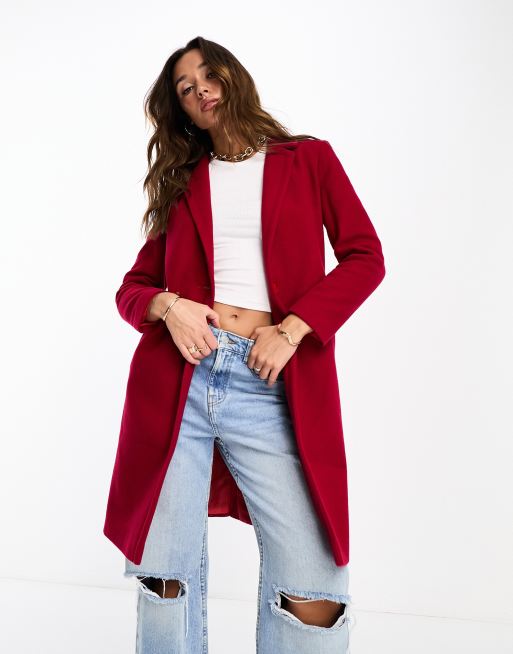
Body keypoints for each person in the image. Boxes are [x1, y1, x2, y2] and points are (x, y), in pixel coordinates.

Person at [103, 35, 386, 654]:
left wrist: (293, 329)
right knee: (166, 579)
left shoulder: (308, 159)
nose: (200, 88)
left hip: (271, 380)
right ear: (181, 109)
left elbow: (366, 258)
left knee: (314, 588)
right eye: (185, 87)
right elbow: (132, 289)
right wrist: (170, 306)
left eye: (209, 74)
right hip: (180, 384)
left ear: (234, 76)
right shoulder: (185, 182)